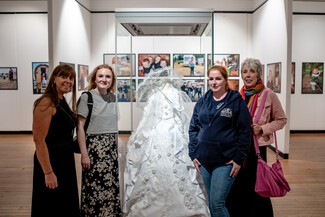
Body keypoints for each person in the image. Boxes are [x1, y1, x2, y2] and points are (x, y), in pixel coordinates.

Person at [123, 68, 210, 217]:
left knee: (152, 164)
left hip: (157, 132)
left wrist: (139, 135)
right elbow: (180, 116)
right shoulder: (175, 94)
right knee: (177, 163)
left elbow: (147, 117)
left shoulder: (155, 94)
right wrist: (184, 135)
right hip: (172, 132)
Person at [227, 58, 287, 217]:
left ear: (258, 74)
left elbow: (281, 120)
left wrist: (263, 129)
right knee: (237, 186)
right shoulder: (237, 96)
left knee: (258, 186)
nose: (248, 75)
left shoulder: (269, 95)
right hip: (238, 148)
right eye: (245, 72)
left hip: (256, 149)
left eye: (252, 71)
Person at [188, 65, 251, 217]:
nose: (214, 82)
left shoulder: (236, 101)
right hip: (204, 161)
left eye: (218, 78)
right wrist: (193, 153)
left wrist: (238, 159)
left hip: (225, 162)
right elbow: (193, 128)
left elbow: (245, 132)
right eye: (211, 79)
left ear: (225, 80)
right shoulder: (202, 101)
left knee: (217, 204)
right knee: (211, 202)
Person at [31, 64, 79, 217]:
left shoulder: (61, 100)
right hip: (51, 161)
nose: (68, 81)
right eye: (63, 77)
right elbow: (39, 140)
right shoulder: (46, 102)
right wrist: (48, 172)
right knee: (51, 205)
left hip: (65, 159)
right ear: (53, 79)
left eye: (71, 78)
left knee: (63, 203)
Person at [76, 64, 121, 216]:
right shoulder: (86, 97)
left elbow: (114, 126)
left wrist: (116, 149)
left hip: (111, 150)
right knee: (94, 188)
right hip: (94, 150)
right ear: (94, 78)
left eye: (108, 76)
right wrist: (84, 154)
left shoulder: (113, 97)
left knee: (110, 187)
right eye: (100, 76)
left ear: (112, 80)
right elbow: (80, 127)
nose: (104, 79)